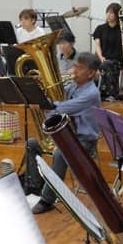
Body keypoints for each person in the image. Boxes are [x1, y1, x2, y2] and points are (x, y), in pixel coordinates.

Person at [31, 52, 101, 214]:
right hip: (69, 135)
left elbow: (64, 107)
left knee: (60, 154)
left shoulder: (91, 93)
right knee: (32, 144)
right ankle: (36, 188)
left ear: (90, 73)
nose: (74, 70)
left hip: (85, 141)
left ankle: (47, 200)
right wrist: (42, 85)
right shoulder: (73, 86)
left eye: (80, 68)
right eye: (74, 66)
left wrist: (45, 105)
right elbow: (56, 94)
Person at [93, 3, 123, 101]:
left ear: (117, 15)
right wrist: (101, 57)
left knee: (108, 64)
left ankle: (107, 93)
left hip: (117, 60)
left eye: (111, 13)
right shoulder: (100, 29)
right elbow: (97, 46)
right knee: (101, 64)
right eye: (107, 12)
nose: (108, 14)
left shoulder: (122, 30)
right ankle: (108, 93)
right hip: (102, 59)